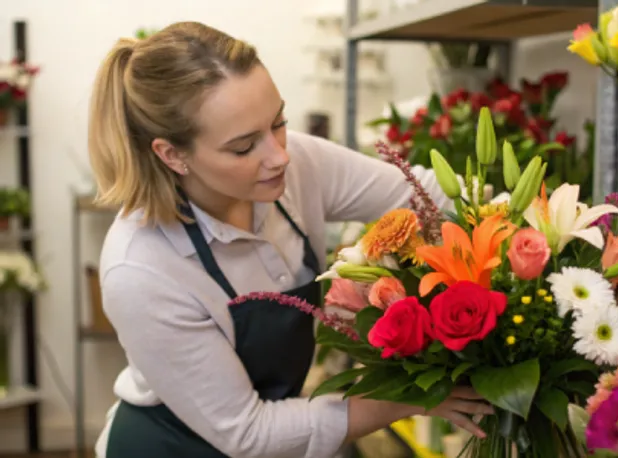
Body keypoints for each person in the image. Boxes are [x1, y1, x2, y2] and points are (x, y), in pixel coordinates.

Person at [88, 21, 495, 458]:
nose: (278, 156)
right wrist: (408, 397)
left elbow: (428, 197)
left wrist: (536, 236)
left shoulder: (296, 164)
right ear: (172, 154)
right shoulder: (141, 267)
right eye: (244, 147)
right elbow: (249, 433)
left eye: (278, 122)